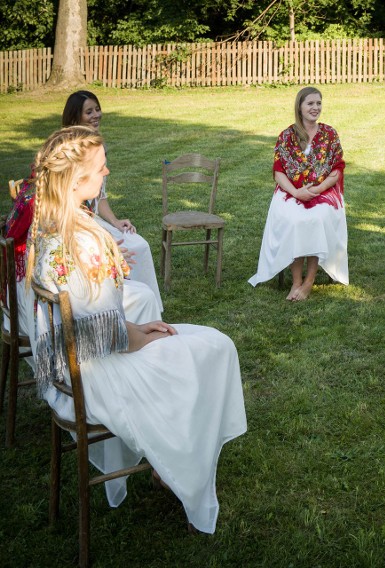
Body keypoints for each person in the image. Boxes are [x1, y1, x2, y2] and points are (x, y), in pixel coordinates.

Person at [28, 126, 247, 533]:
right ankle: (177, 465)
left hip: (68, 368)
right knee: (215, 348)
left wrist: (139, 328)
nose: (107, 169)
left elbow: (90, 319)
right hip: (93, 375)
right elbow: (105, 334)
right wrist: (144, 336)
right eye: (100, 166)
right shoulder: (83, 239)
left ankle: (171, 457)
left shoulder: (50, 226)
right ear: (77, 179)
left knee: (199, 340)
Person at [61, 90, 162, 310]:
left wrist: (115, 222)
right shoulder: (69, 150)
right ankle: (120, 305)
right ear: (75, 117)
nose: (96, 115)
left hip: (93, 218)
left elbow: (100, 195)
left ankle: (148, 307)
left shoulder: (98, 145)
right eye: (89, 111)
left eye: (97, 109)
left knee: (139, 245)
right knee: (127, 247)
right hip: (77, 222)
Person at [248, 86, 348, 300]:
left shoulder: (329, 134)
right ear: (300, 107)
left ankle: (309, 281)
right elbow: (278, 173)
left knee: (316, 219)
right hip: (291, 191)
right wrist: (296, 192)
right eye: (310, 103)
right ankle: (296, 282)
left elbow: (337, 169)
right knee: (295, 220)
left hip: (323, 191)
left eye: (318, 103)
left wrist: (317, 190)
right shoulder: (287, 136)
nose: (315, 108)